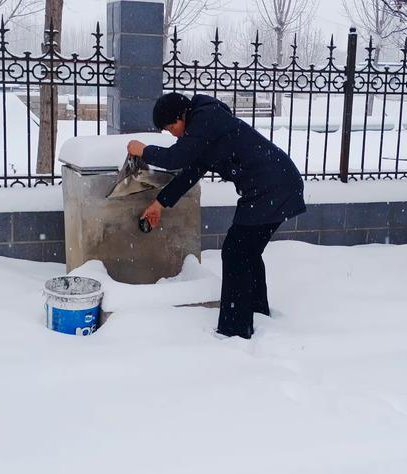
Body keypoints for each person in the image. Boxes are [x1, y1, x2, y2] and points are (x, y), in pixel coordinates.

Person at [127, 92, 306, 339]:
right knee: (246, 251)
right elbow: (190, 172)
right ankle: (256, 310)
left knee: (236, 252)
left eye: (171, 128)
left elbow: (174, 158)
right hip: (276, 184)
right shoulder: (205, 127)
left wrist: (143, 150)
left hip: (271, 187)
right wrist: (159, 203)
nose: (173, 134)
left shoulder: (206, 119)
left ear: (181, 116)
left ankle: (235, 330)